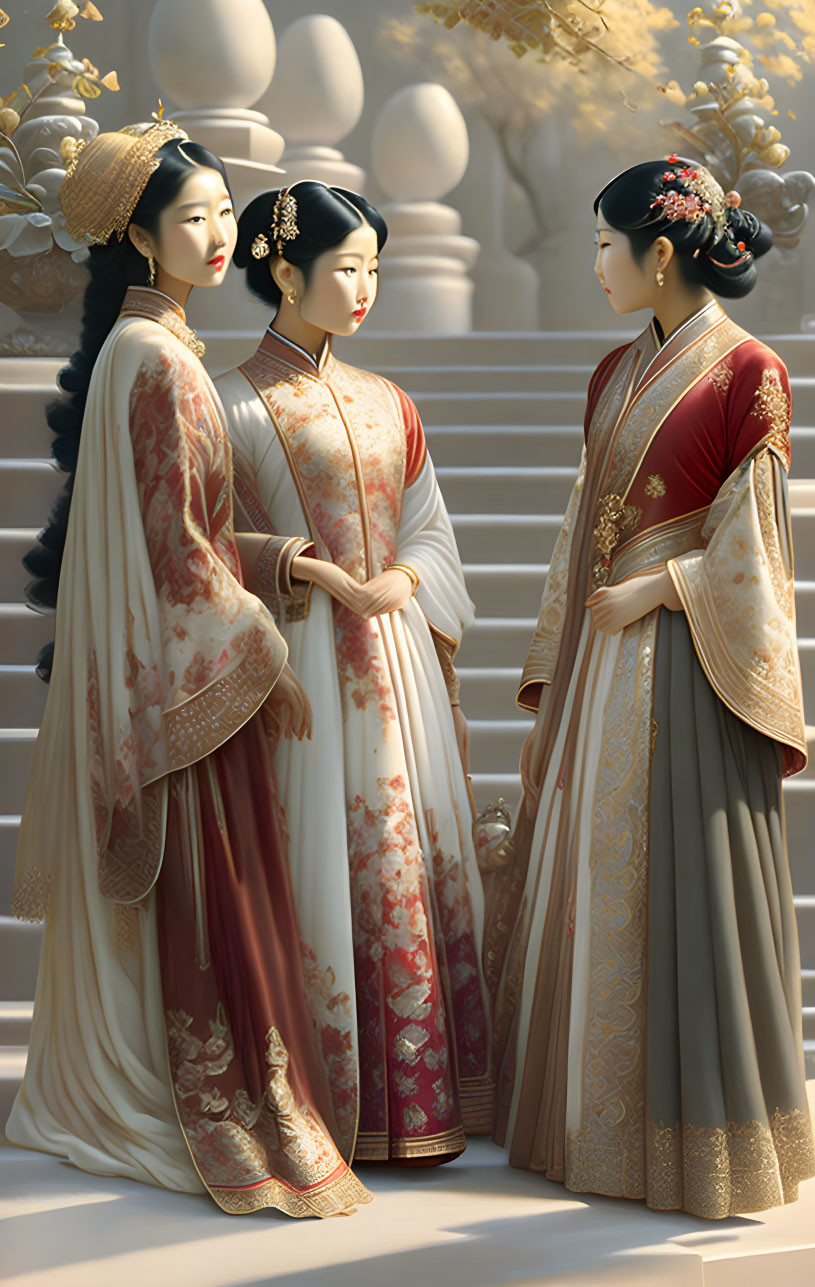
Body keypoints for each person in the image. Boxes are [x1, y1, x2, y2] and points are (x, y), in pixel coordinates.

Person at [7, 123, 369, 1218]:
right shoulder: (160, 361)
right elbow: (177, 553)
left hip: (175, 660)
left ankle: (128, 1086)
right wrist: (266, 655)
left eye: (223, 213)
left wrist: (276, 563)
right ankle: (185, 1105)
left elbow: (191, 532)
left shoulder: (146, 348)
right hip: (191, 673)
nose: (219, 236)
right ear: (139, 234)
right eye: (193, 218)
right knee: (215, 899)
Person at [485, 158, 815, 1218]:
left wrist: (660, 590)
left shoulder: (743, 372)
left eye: (602, 246)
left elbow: (754, 549)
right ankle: (589, 1129)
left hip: (686, 666)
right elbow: (577, 531)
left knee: (685, 888)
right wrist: (563, 654)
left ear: (658, 253)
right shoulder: (609, 374)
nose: (594, 265)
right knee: (590, 880)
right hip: (604, 663)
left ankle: (693, 1145)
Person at [215, 181, 493, 1165]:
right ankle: (323, 1101)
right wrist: (301, 563)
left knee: (399, 851)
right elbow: (199, 542)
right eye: (346, 268)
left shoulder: (390, 401)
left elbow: (428, 523)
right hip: (295, 661)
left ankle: (419, 1102)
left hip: (396, 656)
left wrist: (407, 576)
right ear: (283, 272)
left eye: (375, 267)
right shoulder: (230, 401)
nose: (365, 286)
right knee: (318, 858)